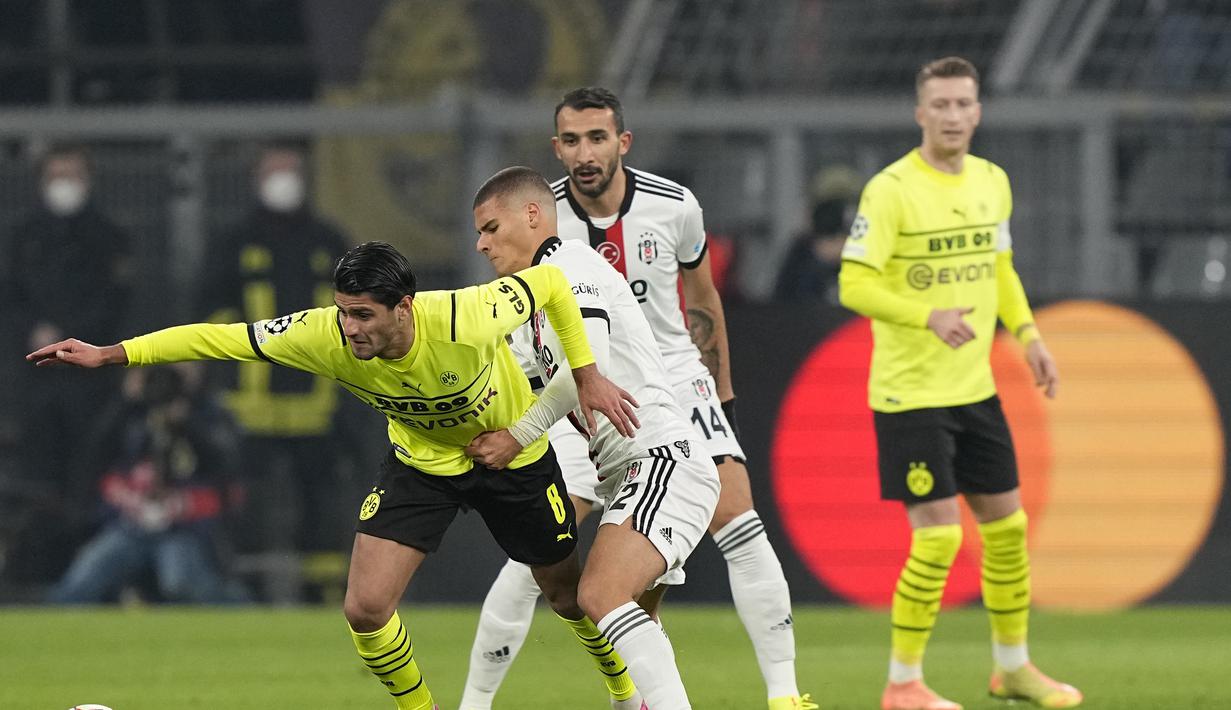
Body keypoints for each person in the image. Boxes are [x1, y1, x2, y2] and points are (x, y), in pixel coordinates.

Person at [27, 240, 639, 710]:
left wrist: (581, 380)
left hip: (512, 459)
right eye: (344, 312)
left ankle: (624, 692)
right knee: (365, 608)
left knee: (566, 595)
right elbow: (219, 340)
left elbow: (552, 286)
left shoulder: (467, 314)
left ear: (404, 308)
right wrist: (111, 354)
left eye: (364, 315)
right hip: (421, 463)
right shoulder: (321, 335)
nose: (350, 329)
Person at [547, 86, 811, 710]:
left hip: (674, 372)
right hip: (593, 387)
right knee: (556, 554)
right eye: (573, 140)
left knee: (741, 522)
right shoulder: (544, 216)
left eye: (597, 137)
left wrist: (721, 394)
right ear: (557, 147)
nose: (586, 152)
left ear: (623, 141)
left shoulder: (674, 205)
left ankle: (785, 695)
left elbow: (702, 297)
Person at [837, 57, 1082, 710]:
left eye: (962, 104)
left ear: (978, 111)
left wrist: (1029, 336)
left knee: (1007, 530)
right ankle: (902, 684)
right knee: (940, 537)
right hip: (909, 395)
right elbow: (853, 282)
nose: (952, 115)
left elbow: (1000, 267)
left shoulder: (992, 181)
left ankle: (1013, 670)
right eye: (940, 104)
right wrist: (927, 315)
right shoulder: (891, 190)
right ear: (920, 113)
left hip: (974, 390)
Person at [466, 166, 723, 709]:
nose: (481, 244)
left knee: (599, 594)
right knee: (630, 621)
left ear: (531, 215)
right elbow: (505, 388)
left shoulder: (571, 264)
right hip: (626, 470)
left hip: (659, 456)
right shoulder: (527, 309)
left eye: (491, 228)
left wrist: (517, 437)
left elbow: (589, 369)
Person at [198, 142, 356, 564]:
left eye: (291, 171)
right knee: (245, 505)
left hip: (317, 405)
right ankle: (246, 586)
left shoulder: (328, 241)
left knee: (322, 504)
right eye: (274, 172)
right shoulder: (234, 242)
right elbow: (208, 309)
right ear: (257, 179)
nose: (284, 181)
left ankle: (321, 590)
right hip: (250, 408)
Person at [0, 143, 135, 585]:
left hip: (91, 383)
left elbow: (118, 305)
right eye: (56, 176)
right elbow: (12, 299)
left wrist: (75, 339)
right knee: (39, 482)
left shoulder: (109, 236)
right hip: (36, 379)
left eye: (72, 175)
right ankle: (40, 578)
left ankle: (91, 581)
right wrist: (33, 331)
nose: (64, 185)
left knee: (92, 477)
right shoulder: (24, 235)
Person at [47, 364, 249, 605]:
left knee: (181, 582)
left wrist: (187, 423)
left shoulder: (210, 411)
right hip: (132, 524)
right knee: (82, 581)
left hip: (185, 527)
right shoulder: (134, 412)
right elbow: (95, 454)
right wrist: (125, 401)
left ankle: (242, 608)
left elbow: (225, 462)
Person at [774, 163, 862, 304]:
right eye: (828, 209)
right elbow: (781, 302)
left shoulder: (871, 248)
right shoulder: (802, 250)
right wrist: (818, 258)